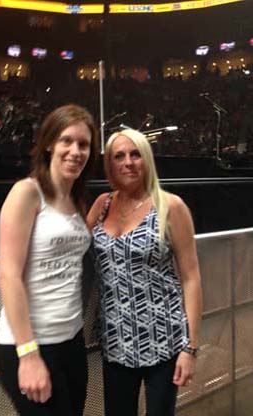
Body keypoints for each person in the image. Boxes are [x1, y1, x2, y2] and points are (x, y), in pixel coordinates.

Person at [87, 129, 202, 416]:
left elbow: (191, 278)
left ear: (146, 159)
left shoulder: (169, 206)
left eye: (135, 154)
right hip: (115, 341)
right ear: (110, 165)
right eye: (119, 156)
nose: (128, 162)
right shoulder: (102, 205)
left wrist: (190, 348)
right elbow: (72, 246)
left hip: (164, 339)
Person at [0, 104, 98, 416]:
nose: (75, 151)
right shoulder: (27, 192)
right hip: (29, 344)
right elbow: (8, 276)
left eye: (84, 144)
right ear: (49, 143)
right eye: (67, 140)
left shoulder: (75, 200)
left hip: (71, 339)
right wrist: (28, 354)